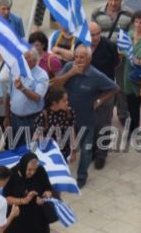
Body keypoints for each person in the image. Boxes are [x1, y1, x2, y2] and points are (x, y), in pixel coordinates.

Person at [52, 45, 118, 188]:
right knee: (62, 146)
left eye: (82, 57)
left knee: (86, 149)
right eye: (76, 56)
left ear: (89, 59)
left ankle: (82, 177)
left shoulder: (96, 75)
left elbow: (114, 88)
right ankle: (61, 174)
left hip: (86, 118)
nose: (78, 60)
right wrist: (71, 73)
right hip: (66, 118)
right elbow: (56, 85)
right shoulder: (69, 66)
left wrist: (99, 101)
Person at [91, 0, 132, 125]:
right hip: (103, 56)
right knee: (102, 84)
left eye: (116, 0)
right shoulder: (96, 13)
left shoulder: (129, 14)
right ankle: (103, 113)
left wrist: (123, 53)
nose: (113, 3)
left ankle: (123, 114)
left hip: (122, 56)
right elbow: (91, 32)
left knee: (121, 85)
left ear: (121, 0)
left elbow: (132, 36)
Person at [88, 22, 119, 169]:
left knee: (104, 123)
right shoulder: (81, 46)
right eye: (91, 34)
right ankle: (92, 150)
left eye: (97, 34)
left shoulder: (110, 46)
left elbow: (116, 64)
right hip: (87, 92)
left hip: (106, 91)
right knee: (90, 123)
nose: (95, 37)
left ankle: (101, 154)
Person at [1, 152, 54, 233]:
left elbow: (48, 188)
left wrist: (45, 196)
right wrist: (24, 200)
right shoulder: (12, 174)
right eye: (29, 169)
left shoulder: (40, 171)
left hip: (37, 215)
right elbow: (6, 198)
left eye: (34, 169)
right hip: (18, 216)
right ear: (23, 165)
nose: (32, 172)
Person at [6, 49, 49, 141]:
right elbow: (9, 94)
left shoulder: (41, 75)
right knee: (16, 148)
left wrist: (22, 88)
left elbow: (37, 97)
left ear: (34, 61)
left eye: (25, 58)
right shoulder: (15, 71)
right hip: (14, 118)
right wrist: (7, 117)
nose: (21, 60)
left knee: (31, 150)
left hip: (31, 120)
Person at [34, 87, 76, 162]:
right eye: (64, 101)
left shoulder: (69, 112)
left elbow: (71, 131)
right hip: (49, 154)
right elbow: (37, 136)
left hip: (65, 152)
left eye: (67, 100)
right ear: (54, 103)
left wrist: (73, 150)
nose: (67, 103)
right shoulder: (44, 116)